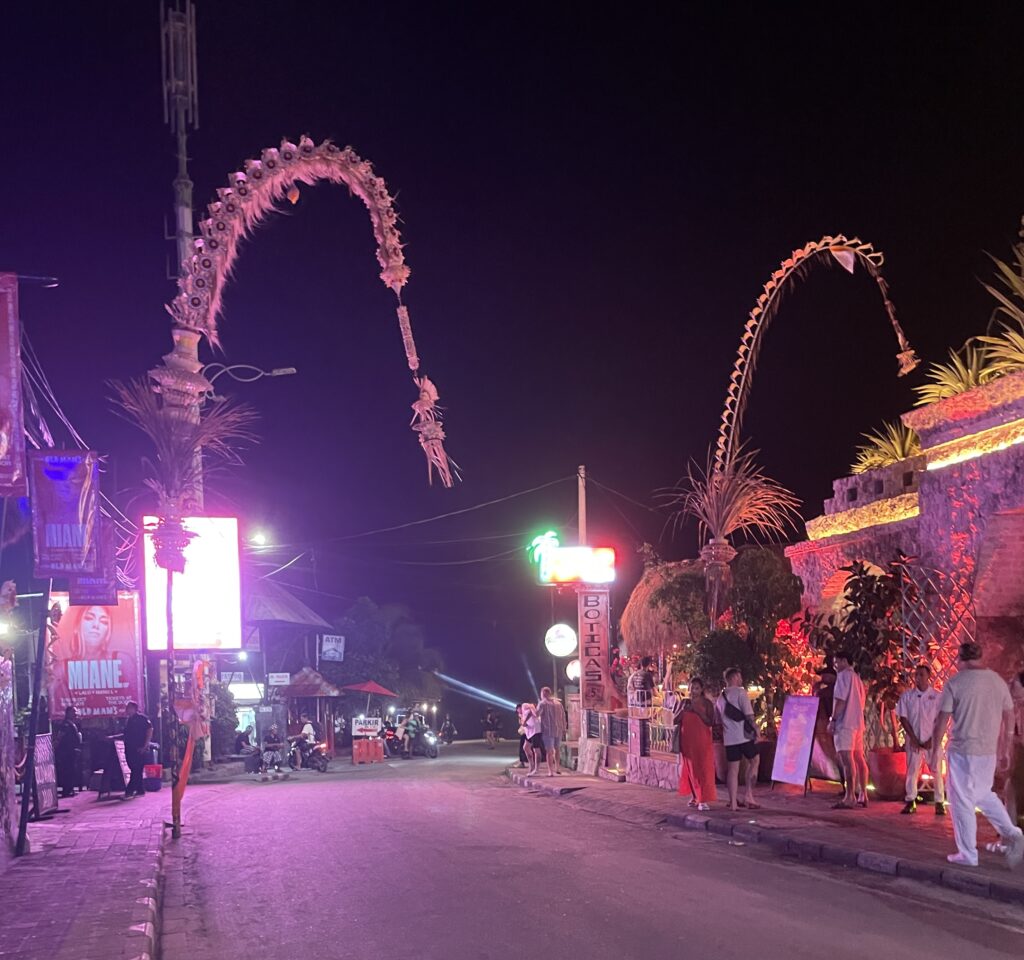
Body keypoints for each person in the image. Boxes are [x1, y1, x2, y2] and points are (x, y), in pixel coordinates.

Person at [932, 642, 1024, 869]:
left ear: (960, 659)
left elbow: (942, 721)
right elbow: (1009, 716)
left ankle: (968, 853)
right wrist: (1004, 748)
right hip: (987, 752)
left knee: (961, 800)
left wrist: (935, 751)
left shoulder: (956, 683)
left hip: (963, 751)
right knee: (983, 794)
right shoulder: (997, 682)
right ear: (981, 658)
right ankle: (1012, 832)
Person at [896, 663, 946, 815]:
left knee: (936, 770)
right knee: (912, 770)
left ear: (928, 677)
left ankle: (939, 802)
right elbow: (903, 718)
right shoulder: (907, 696)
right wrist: (913, 739)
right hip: (914, 739)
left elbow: (941, 719)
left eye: (921, 675)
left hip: (932, 739)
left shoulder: (937, 696)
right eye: (916, 675)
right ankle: (910, 800)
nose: (918, 678)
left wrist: (934, 739)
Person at [717, 667, 760, 812]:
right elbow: (749, 715)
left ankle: (733, 803)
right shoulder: (741, 692)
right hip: (744, 736)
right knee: (755, 760)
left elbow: (717, 720)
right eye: (739, 676)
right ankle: (749, 795)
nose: (741, 679)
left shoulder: (720, 698)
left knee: (733, 769)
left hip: (729, 738)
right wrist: (757, 730)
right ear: (734, 677)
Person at [829, 651, 868, 809]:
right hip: (857, 722)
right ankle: (863, 794)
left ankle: (850, 796)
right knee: (859, 757)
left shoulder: (844, 676)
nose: (835, 666)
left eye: (836, 662)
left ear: (844, 661)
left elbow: (840, 700)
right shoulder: (857, 678)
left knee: (847, 759)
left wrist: (833, 719)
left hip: (845, 723)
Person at [678, 677, 716, 810]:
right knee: (691, 769)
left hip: (702, 740)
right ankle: (695, 796)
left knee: (703, 768)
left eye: (696, 688)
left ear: (701, 690)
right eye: (691, 688)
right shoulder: (684, 702)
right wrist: (682, 710)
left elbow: (710, 721)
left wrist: (697, 711)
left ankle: (703, 798)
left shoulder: (706, 703)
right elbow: (675, 720)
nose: (693, 691)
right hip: (687, 740)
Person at [122, 700, 152, 799]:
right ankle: (140, 789)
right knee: (136, 769)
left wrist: (145, 745)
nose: (127, 710)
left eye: (129, 708)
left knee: (136, 769)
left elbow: (150, 730)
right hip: (129, 748)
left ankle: (129, 790)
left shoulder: (142, 718)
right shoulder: (128, 720)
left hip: (139, 748)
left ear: (135, 708)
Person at [536, 687, 567, 777]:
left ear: (543, 694)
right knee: (557, 749)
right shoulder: (558, 703)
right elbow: (563, 716)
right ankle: (557, 768)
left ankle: (550, 771)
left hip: (547, 730)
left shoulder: (542, 704)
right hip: (559, 729)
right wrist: (564, 728)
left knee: (549, 751)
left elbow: (537, 714)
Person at [53, 705, 82, 798]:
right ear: (69, 713)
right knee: (67, 770)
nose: (76, 714)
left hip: (72, 752)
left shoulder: (72, 724)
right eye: (74, 712)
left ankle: (70, 788)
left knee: (72, 770)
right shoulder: (65, 725)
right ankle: (66, 790)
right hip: (66, 752)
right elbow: (60, 737)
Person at [519, 702, 543, 775]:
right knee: (525, 747)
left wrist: (525, 720)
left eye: (517, 710)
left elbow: (531, 708)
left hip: (536, 730)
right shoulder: (522, 714)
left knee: (536, 749)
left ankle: (536, 769)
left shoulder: (524, 705)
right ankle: (531, 764)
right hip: (529, 732)